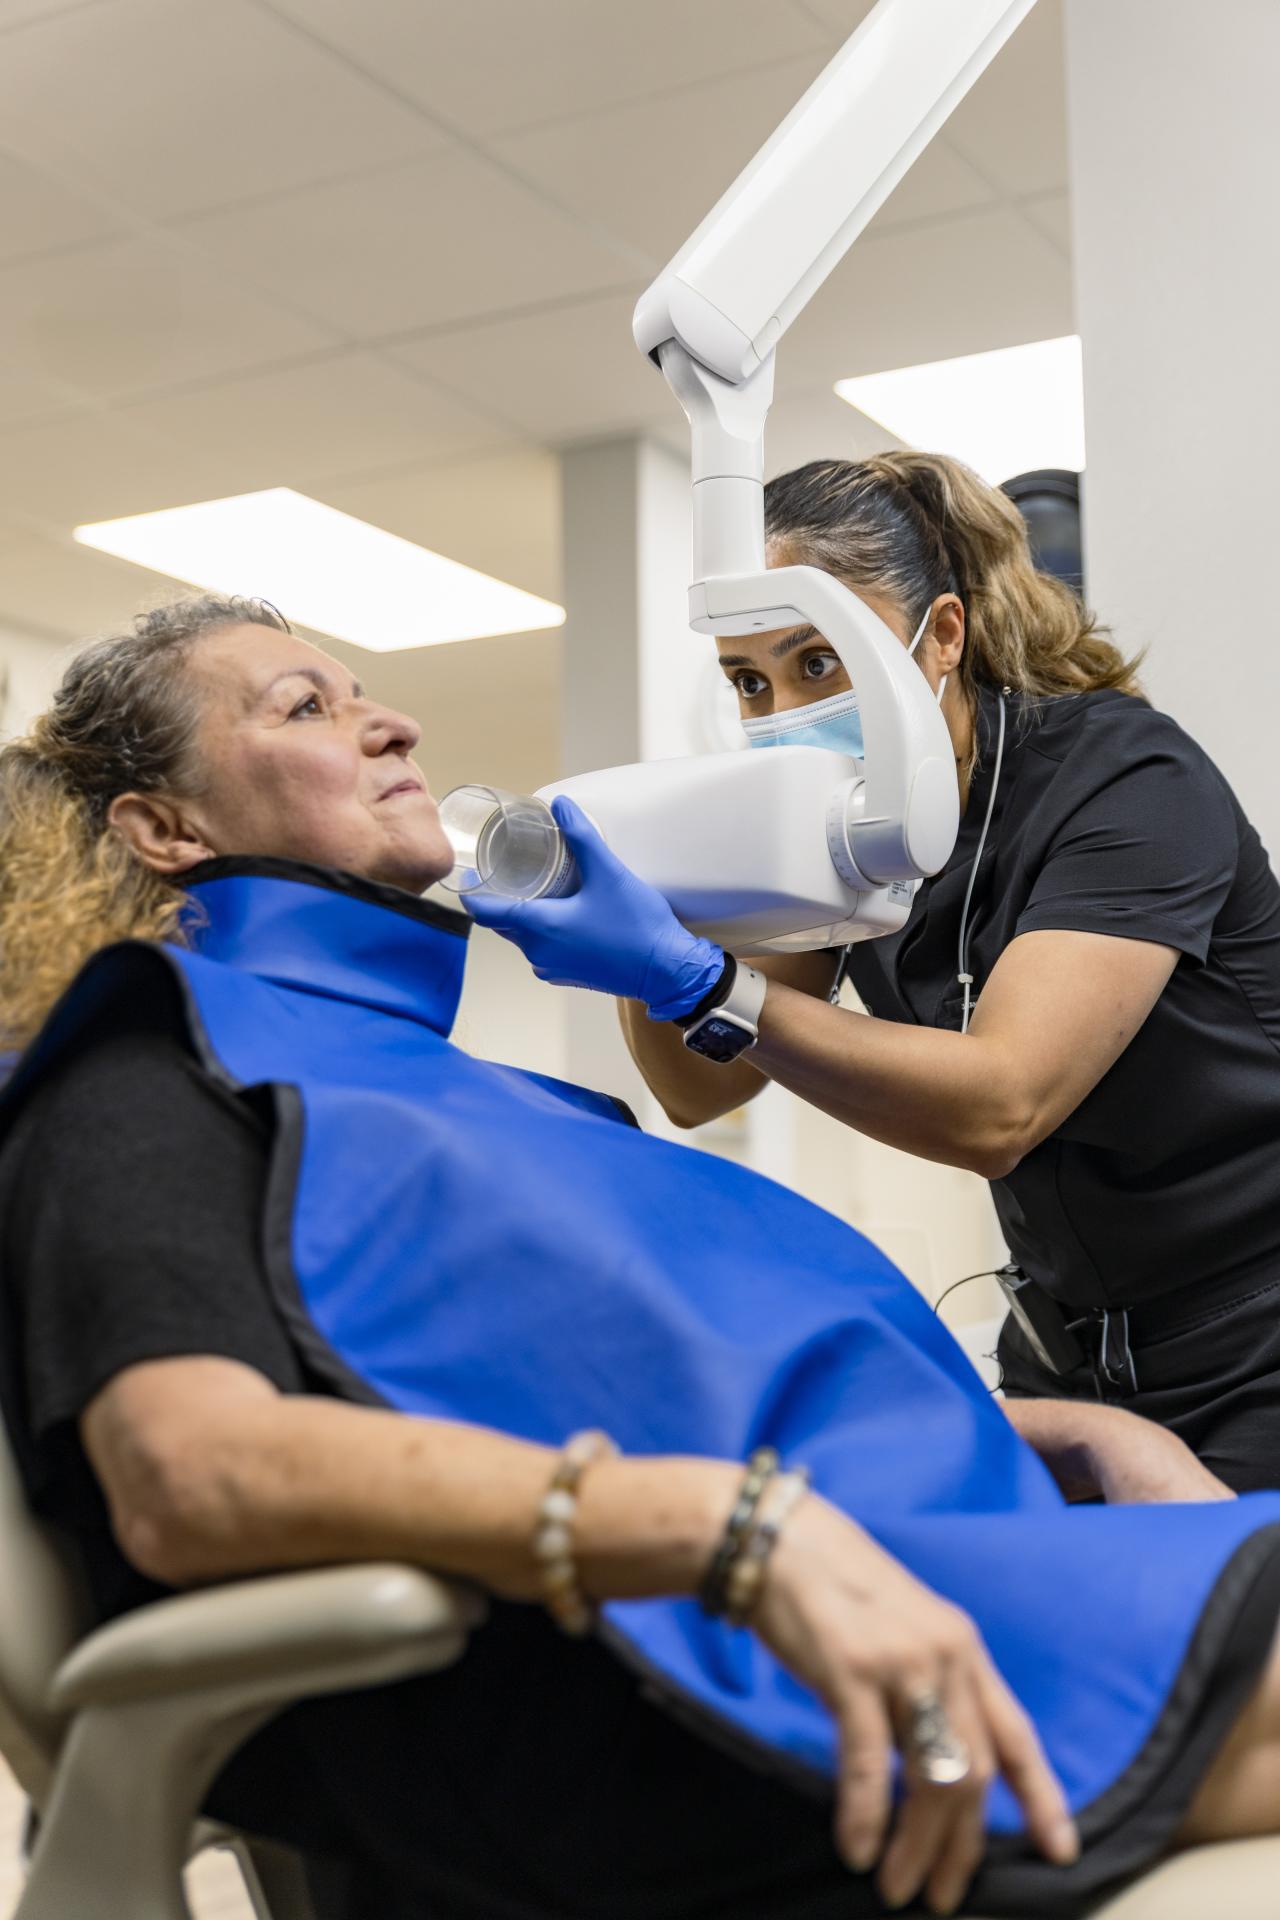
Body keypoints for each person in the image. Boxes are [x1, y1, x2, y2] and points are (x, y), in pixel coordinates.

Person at [1, 596, 1279, 1920]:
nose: (395, 721)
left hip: (895, 1562)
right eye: (306, 706)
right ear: (165, 828)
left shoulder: (446, 1094)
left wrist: (1053, 1429)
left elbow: (587, 1376)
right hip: (688, 1674)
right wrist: (734, 1532)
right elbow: (189, 1470)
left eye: (360, 688)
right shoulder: (148, 1064)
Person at [471, 454, 1280, 1494]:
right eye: (749, 680)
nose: (784, 706)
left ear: (939, 636)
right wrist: (667, 902)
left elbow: (999, 1106)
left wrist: (701, 980)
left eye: (818, 661)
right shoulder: (840, 829)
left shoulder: (1120, 777)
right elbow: (694, 1085)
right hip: (1070, 1346)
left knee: (1227, 1643)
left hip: (1254, 1332)